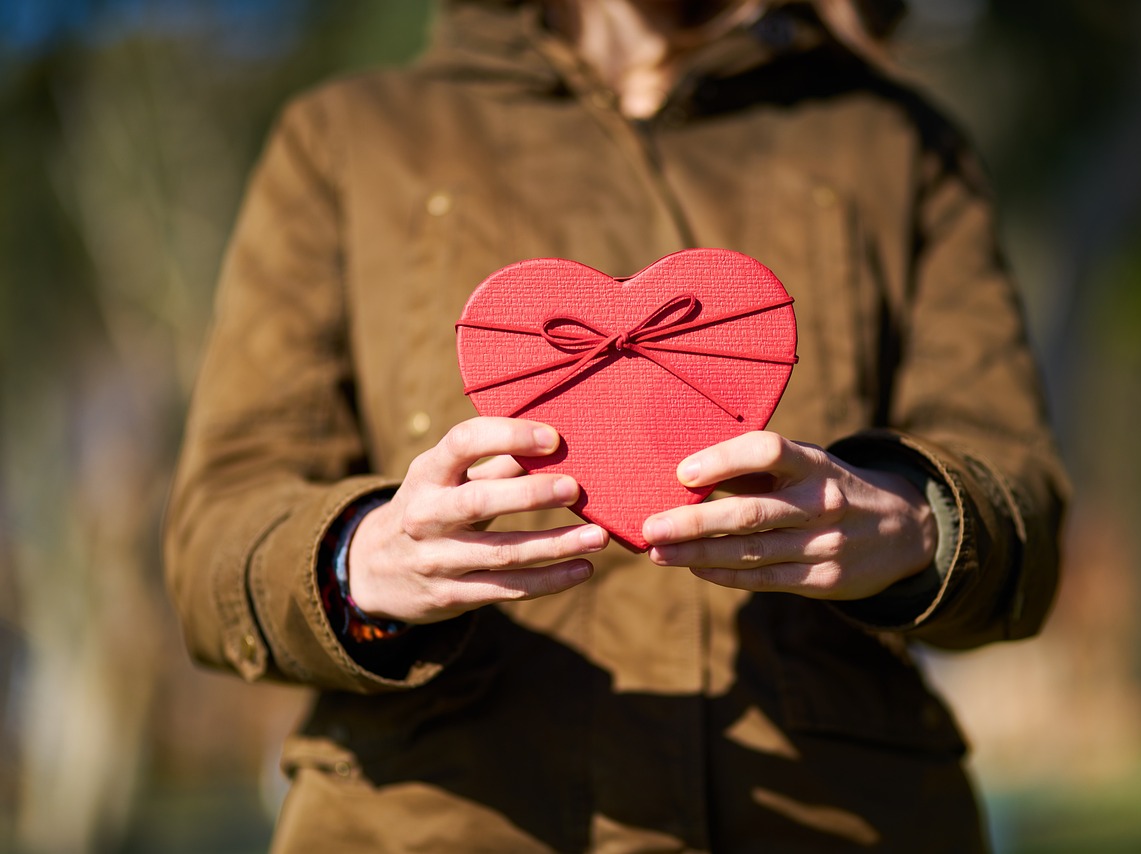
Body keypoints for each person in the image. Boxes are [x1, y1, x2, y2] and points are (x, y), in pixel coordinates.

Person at [164, 0, 1069, 850]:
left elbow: (1020, 491)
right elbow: (217, 532)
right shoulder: (349, 139)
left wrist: (917, 523)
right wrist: (360, 559)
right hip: (438, 823)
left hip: (832, 821)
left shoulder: (894, 142)